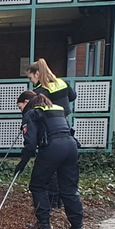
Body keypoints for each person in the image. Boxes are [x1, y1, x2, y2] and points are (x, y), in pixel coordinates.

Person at [14, 90, 85, 229]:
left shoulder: (31, 114)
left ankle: (44, 224)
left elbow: (31, 144)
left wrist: (22, 163)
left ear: (26, 103)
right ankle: (77, 226)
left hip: (52, 148)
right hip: (71, 147)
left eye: (20, 107)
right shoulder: (57, 109)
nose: (21, 111)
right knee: (69, 188)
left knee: (38, 186)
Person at [26, 59, 77, 209]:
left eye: (30, 78)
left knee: (50, 164)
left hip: (50, 129)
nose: (31, 82)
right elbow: (72, 96)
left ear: (37, 73)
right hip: (66, 126)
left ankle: (52, 199)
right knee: (65, 168)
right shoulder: (62, 82)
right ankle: (61, 199)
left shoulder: (41, 91)